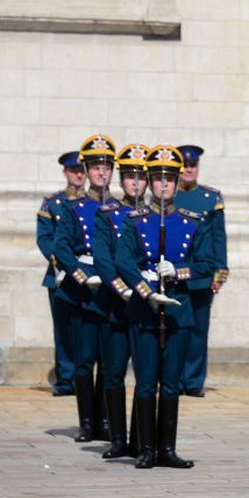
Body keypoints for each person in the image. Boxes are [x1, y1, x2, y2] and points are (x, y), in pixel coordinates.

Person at [116, 145, 212, 469]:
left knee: (171, 382)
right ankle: (145, 449)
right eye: (157, 179)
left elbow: (207, 262)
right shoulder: (135, 220)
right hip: (145, 312)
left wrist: (179, 270)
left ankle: (166, 449)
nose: (164, 185)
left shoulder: (192, 222)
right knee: (146, 382)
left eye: (169, 179)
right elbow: (123, 261)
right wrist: (145, 291)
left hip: (177, 309)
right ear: (149, 183)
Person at [51, 135, 117, 443]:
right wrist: (80, 274)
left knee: (108, 361)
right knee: (83, 360)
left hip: (110, 291)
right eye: (95, 166)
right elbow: (60, 247)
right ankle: (86, 423)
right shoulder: (72, 207)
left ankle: (104, 419)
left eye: (106, 166)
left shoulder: (121, 208)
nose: (102, 172)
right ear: (87, 171)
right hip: (80, 292)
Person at [92, 144, 149, 459]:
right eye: (129, 176)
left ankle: (141, 437)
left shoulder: (157, 217)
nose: (135, 183)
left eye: (140, 177)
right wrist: (124, 288)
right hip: (116, 303)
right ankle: (117, 438)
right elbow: (103, 257)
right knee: (113, 371)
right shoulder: (109, 215)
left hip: (144, 307)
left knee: (144, 374)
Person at [175, 144, 227, 398]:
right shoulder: (167, 196)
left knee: (198, 330)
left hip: (203, 274)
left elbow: (219, 238)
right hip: (176, 273)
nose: (188, 169)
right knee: (177, 329)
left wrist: (220, 272)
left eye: (192, 165)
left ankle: (194, 381)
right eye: (184, 165)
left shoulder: (210, 198)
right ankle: (176, 377)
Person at [36, 151, 86, 397]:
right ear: (65, 173)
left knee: (86, 330)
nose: (79, 174)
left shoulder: (95, 203)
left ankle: (84, 377)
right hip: (60, 275)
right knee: (64, 329)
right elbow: (45, 239)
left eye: (81, 169)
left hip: (90, 275)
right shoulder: (53, 203)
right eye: (73, 170)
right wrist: (62, 264)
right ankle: (66, 379)